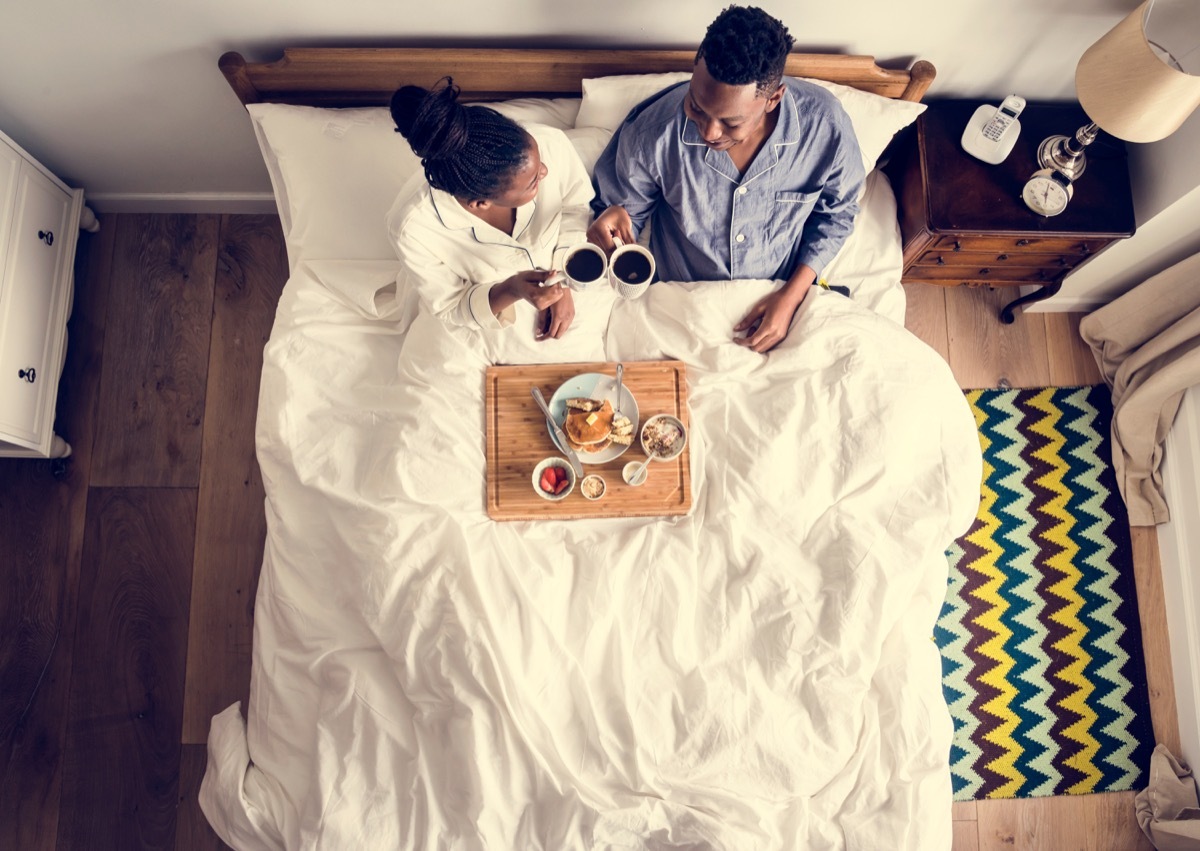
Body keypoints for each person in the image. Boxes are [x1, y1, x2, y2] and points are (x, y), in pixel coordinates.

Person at [588, 5, 865, 353]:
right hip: (682, 306)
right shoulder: (651, 133)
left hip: (785, 298)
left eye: (731, 123)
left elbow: (837, 215)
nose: (709, 131)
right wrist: (612, 223)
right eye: (696, 107)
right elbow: (623, 220)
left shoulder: (826, 129)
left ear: (773, 98)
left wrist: (791, 297)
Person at [387, 80, 594, 339]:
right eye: (532, 182)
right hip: (492, 321)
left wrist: (563, 279)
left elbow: (576, 204)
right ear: (480, 203)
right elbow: (451, 305)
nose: (545, 172)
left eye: (539, 163)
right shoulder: (413, 229)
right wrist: (512, 290)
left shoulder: (549, 142)